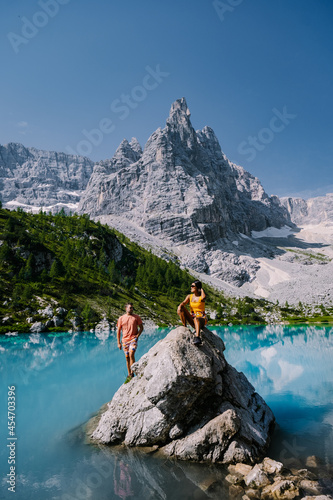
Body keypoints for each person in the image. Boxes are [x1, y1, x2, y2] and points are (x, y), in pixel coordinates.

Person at [117, 303, 143, 380]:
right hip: (124, 340)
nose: (131, 309)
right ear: (126, 308)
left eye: (132, 308)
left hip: (133, 339)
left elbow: (141, 328)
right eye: (130, 308)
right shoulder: (121, 318)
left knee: (131, 353)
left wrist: (137, 336)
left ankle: (132, 372)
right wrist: (118, 343)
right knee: (127, 357)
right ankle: (129, 374)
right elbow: (118, 331)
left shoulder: (136, 317)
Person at [177, 280, 207, 345]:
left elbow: (204, 297)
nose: (191, 287)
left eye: (193, 286)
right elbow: (184, 303)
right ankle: (184, 326)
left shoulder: (201, 297)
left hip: (202, 318)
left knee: (197, 319)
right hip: (193, 318)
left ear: (197, 288)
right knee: (181, 308)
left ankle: (198, 337)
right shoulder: (189, 296)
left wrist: (201, 290)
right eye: (191, 286)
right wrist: (180, 306)